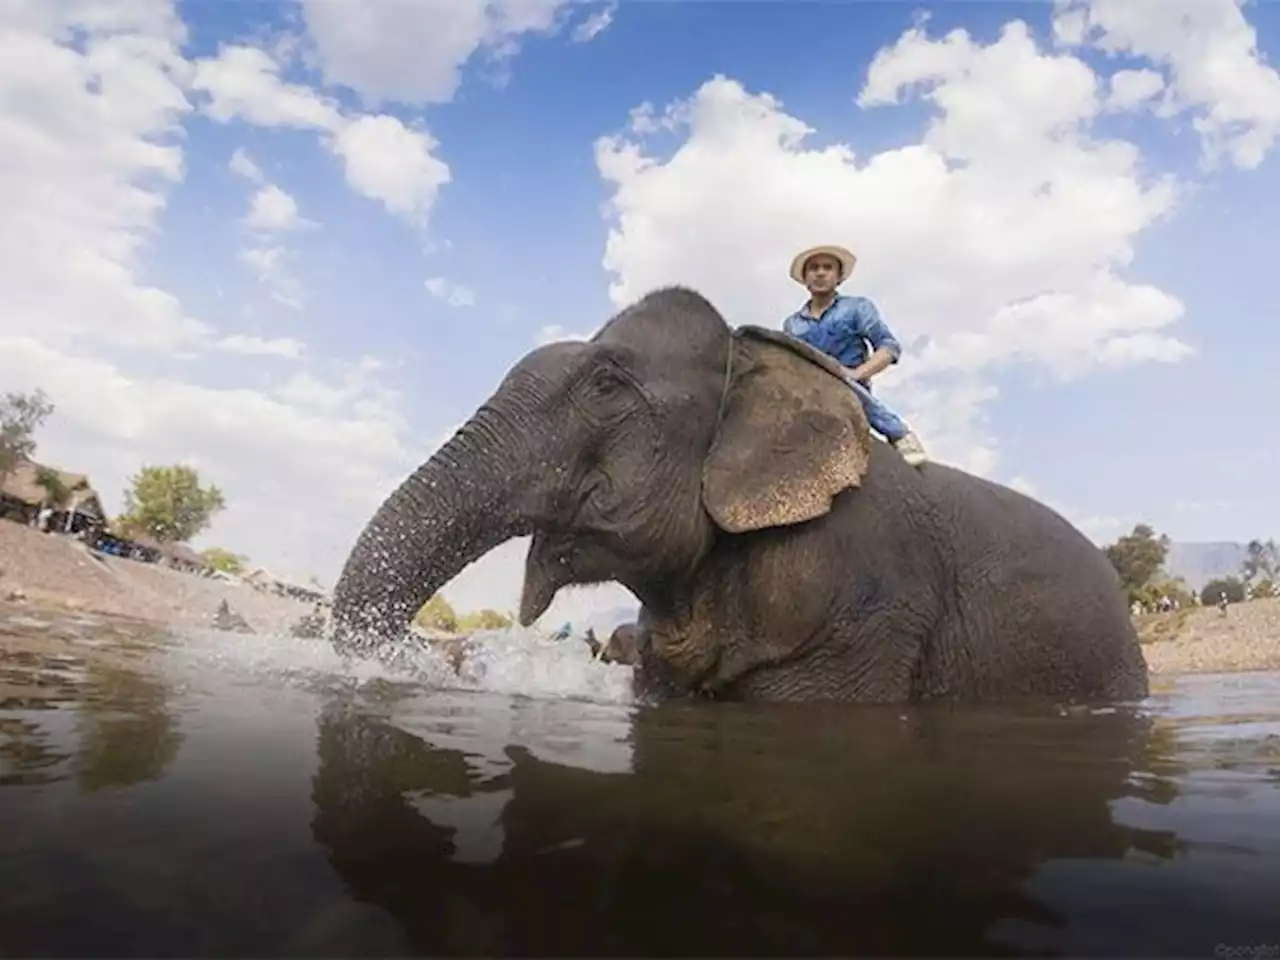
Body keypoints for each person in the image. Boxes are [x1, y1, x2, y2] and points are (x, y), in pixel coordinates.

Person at [782, 244, 928, 467]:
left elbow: (888, 347)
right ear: (805, 278)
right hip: (809, 393)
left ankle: (898, 433)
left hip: (850, 389)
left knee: (839, 381)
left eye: (828, 267)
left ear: (839, 277)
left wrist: (856, 374)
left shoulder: (857, 308)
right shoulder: (792, 324)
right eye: (814, 268)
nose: (820, 273)